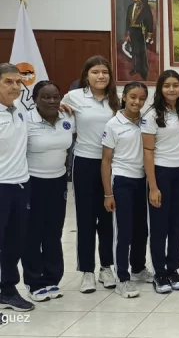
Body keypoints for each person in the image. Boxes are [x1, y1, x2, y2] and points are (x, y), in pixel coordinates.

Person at [61, 56, 120, 294]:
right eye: (95, 72)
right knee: (86, 219)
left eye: (105, 72)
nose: (101, 76)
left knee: (108, 218)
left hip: (114, 164)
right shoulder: (73, 98)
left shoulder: (117, 99)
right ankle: (87, 270)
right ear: (87, 75)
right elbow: (61, 121)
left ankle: (107, 267)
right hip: (85, 162)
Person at [141, 70, 179, 294]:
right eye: (167, 85)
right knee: (160, 226)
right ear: (160, 89)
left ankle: (173, 269)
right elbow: (148, 152)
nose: (172, 89)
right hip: (161, 173)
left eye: (176, 85)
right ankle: (160, 273)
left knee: (178, 225)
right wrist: (153, 186)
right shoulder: (152, 115)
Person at [22, 81, 75, 302]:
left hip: (58, 181)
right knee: (33, 233)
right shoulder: (25, 121)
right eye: (45, 97)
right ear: (35, 99)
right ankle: (34, 281)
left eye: (55, 96)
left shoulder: (67, 118)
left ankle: (52, 278)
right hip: (33, 182)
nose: (52, 101)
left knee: (54, 232)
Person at [101, 82, 150, 299]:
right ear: (124, 97)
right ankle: (122, 277)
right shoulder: (113, 124)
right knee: (124, 231)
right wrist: (108, 193)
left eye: (141, 98)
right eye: (132, 97)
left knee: (141, 229)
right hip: (121, 180)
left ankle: (138, 269)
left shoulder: (147, 121)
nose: (136, 102)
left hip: (142, 180)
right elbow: (106, 160)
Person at [0, 63, 35, 312]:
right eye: (8, 82)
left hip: (21, 184)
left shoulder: (20, 107)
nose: (15, 86)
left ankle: (8, 290)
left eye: (18, 82)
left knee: (15, 241)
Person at [124, 0, 154, 80]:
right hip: (132, 32)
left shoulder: (145, 7)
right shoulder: (130, 7)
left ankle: (143, 70)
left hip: (141, 32)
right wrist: (128, 34)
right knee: (134, 51)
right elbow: (127, 22)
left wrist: (149, 35)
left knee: (142, 51)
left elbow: (149, 20)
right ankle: (136, 68)